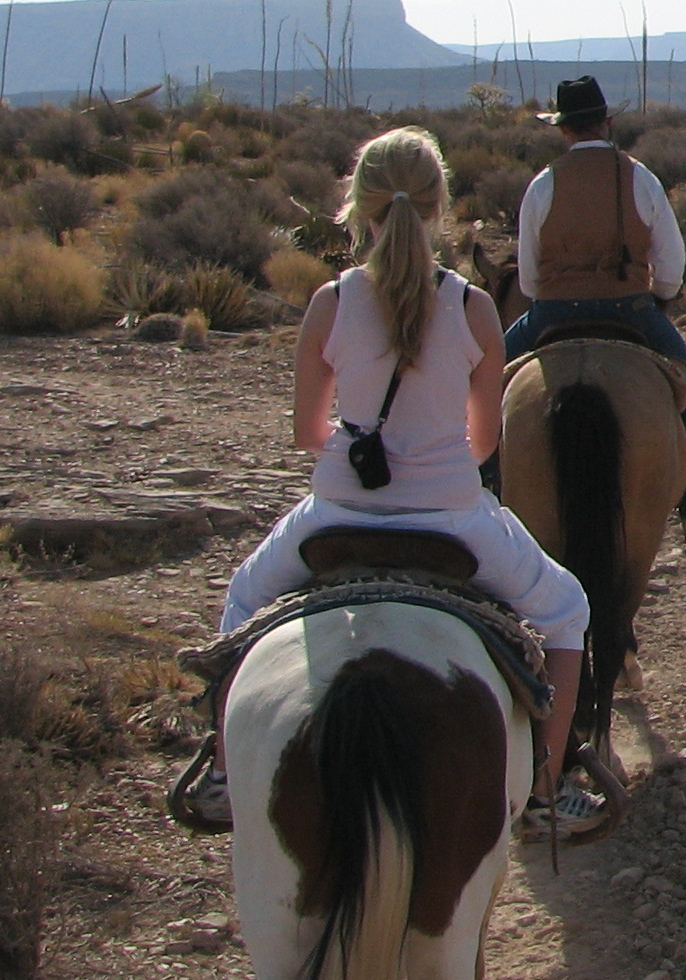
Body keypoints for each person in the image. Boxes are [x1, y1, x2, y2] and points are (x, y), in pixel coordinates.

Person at [175, 127, 596, 833]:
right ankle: (548, 788)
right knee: (567, 610)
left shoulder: (330, 303)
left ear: (358, 208)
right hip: (451, 515)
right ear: (438, 208)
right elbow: (485, 440)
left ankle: (222, 771)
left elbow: (308, 434)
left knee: (244, 596)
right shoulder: (473, 307)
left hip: (337, 509)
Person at [499, 75, 686, 537]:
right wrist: (659, 295)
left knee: (478, 387)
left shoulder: (543, 185)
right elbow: (671, 263)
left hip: (553, 311)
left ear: (563, 130)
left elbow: (527, 279)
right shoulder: (641, 178)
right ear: (607, 122)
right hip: (629, 308)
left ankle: (479, 492)